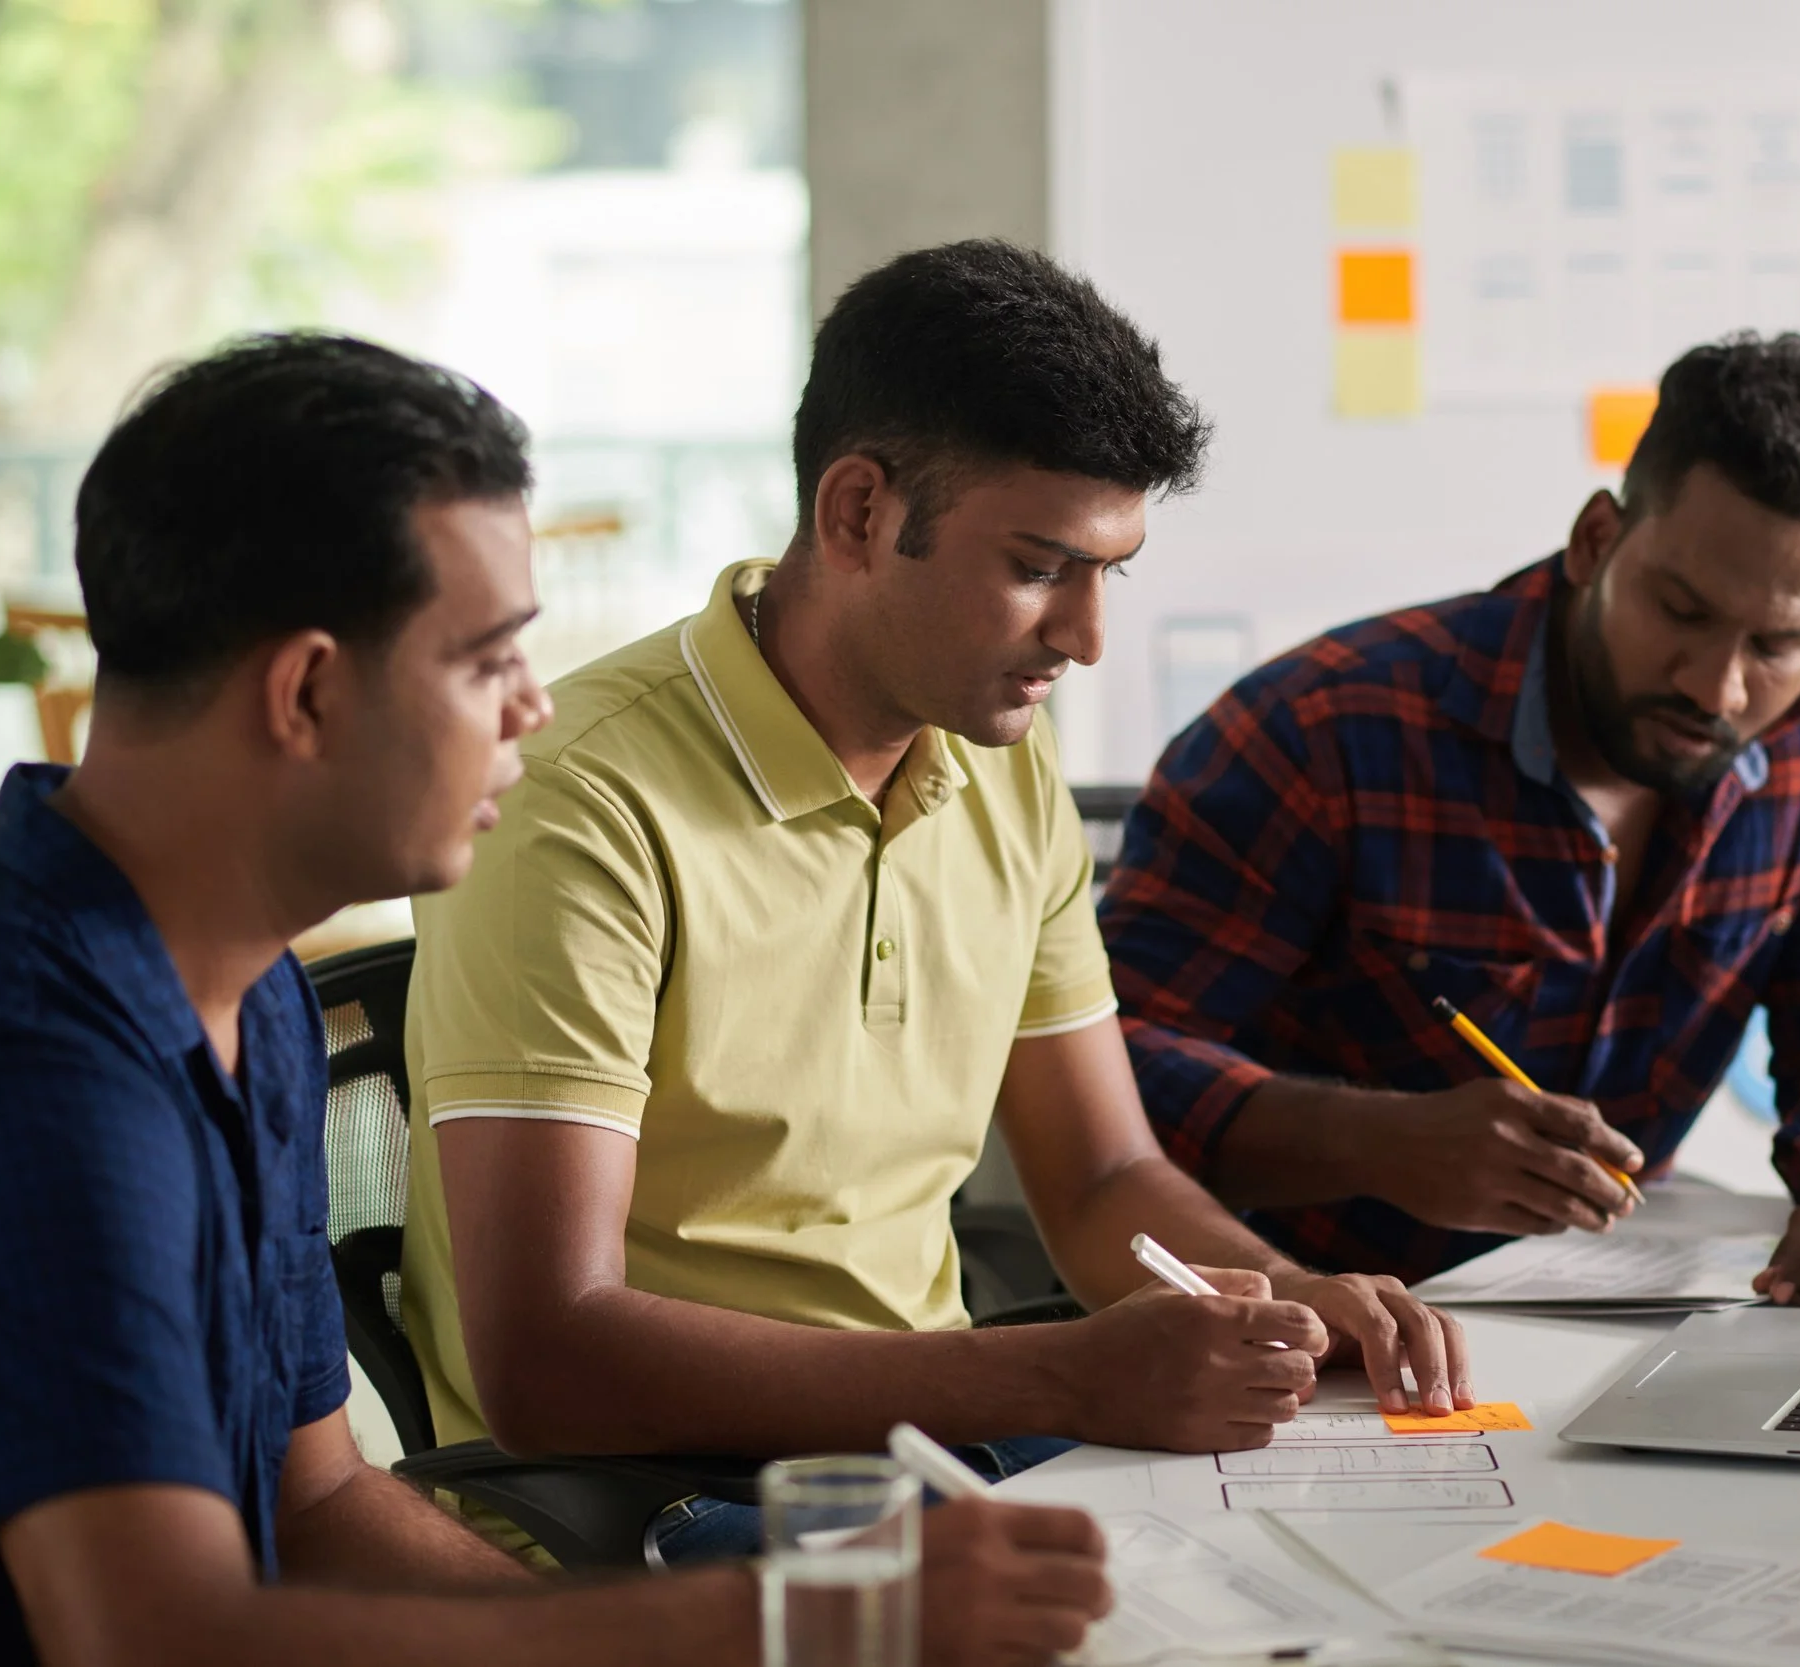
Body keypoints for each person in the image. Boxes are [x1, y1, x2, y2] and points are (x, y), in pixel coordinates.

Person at [0, 333, 1111, 1667]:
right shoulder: (14, 1056)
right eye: (487, 660)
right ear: (309, 689)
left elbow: (325, 1499)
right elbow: (159, 1632)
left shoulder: (251, 996)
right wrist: (790, 1619)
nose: (530, 709)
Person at [399, 241, 1472, 1562]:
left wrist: (1293, 1301)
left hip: (941, 1447)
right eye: (1039, 565)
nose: (1085, 635)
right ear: (856, 513)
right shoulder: (580, 799)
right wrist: (1067, 1377)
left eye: (1108, 572)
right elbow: (548, 1357)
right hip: (661, 1495)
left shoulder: (996, 771)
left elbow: (1101, 1175)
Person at [1101, 332, 1800, 1309]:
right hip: (1311, 1333)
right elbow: (1102, 1068)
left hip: (1617, 1306)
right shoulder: (1319, 731)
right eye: (1679, 610)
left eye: (1779, 643)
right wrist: (1375, 1142)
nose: (1715, 684)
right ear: (1596, 539)